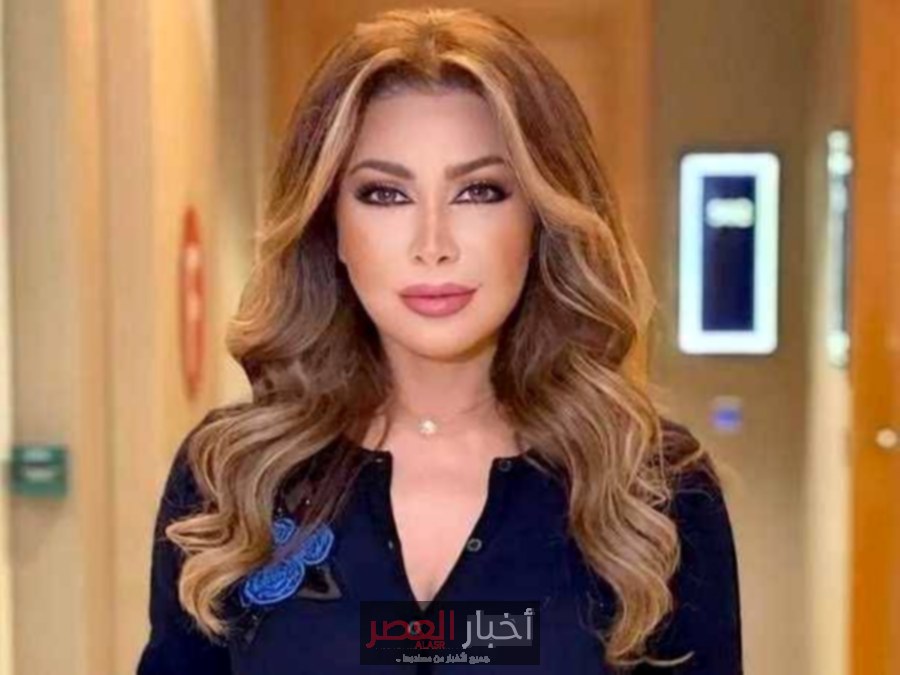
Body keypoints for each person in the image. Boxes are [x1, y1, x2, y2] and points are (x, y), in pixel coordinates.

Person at [137, 6, 742, 674]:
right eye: (385, 194)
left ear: (541, 218)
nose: (433, 244)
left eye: (479, 191)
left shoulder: (653, 489)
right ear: (330, 226)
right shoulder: (233, 477)